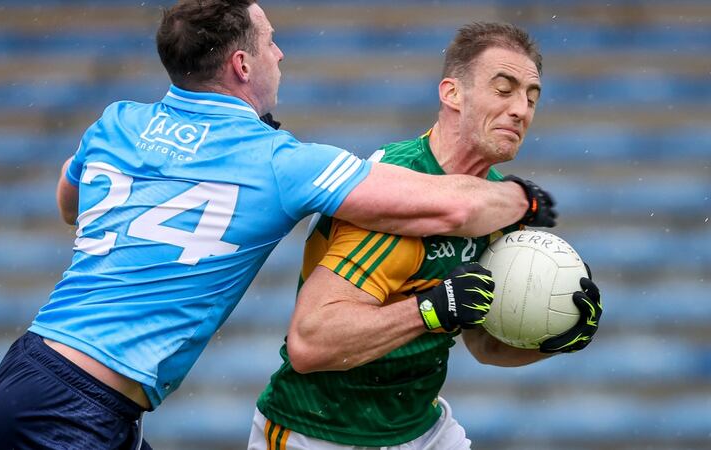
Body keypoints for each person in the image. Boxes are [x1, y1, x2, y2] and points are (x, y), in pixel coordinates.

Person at [0, 1, 557, 448]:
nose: (280, 54)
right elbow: (451, 208)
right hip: (77, 406)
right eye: (272, 42)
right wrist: (524, 200)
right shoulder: (278, 161)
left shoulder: (119, 121)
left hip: (37, 372)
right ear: (242, 64)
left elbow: (70, 201)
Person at [251, 22, 602, 450]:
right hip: (320, 429)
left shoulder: (501, 205)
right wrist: (430, 311)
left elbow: (484, 345)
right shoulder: (393, 191)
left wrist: (555, 338)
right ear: (452, 92)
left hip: (423, 429)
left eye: (531, 97)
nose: (520, 110)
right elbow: (310, 343)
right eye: (503, 88)